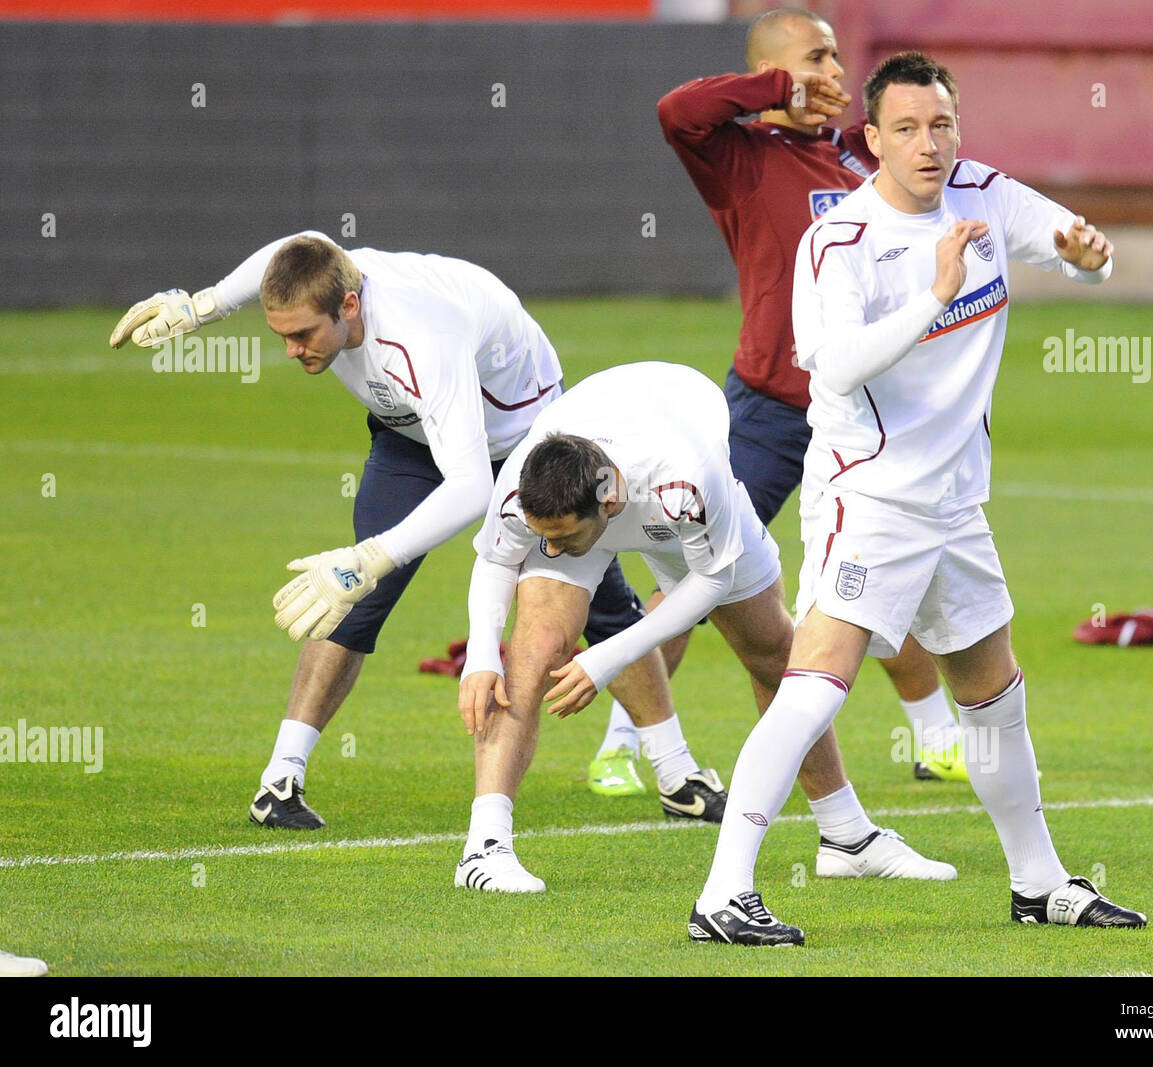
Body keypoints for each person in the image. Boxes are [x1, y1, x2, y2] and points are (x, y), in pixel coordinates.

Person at [688, 52, 1148, 945]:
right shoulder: (840, 239)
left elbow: (1077, 249)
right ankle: (721, 892)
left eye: (940, 125)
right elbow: (837, 361)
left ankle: (1038, 882)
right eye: (905, 129)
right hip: (871, 497)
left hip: (954, 506)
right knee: (816, 685)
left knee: (990, 695)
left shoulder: (983, 191)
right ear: (872, 140)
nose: (928, 144)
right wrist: (935, 295)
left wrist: (1089, 260)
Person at [108, 233, 720, 829]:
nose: (293, 351)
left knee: (601, 605)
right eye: (282, 336)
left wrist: (373, 556)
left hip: (523, 446)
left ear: (349, 306)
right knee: (349, 600)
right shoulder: (328, 270)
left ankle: (676, 775)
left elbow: (472, 485)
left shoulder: (423, 338)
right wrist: (204, 304)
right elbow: (296, 243)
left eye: (302, 335)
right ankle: (279, 781)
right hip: (411, 439)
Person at [595, 5, 967, 799]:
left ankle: (939, 738)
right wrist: (775, 88)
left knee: (885, 571)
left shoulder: (859, 163)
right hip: (768, 409)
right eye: (819, 58)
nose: (836, 74)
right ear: (776, 71)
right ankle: (626, 744)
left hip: (867, 414)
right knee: (701, 570)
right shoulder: (741, 157)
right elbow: (677, 111)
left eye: (836, 60)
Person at [456, 362, 956, 892]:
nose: (548, 550)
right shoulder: (525, 488)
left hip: (676, 500)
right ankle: (484, 848)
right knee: (532, 648)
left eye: (560, 539)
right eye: (543, 538)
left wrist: (607, 656)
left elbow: (708, 585)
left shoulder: (688, 479)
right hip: (600, 477)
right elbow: (496, 560)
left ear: (610, 502)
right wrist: (482, 655)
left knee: (776, 652)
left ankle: (847, 838)